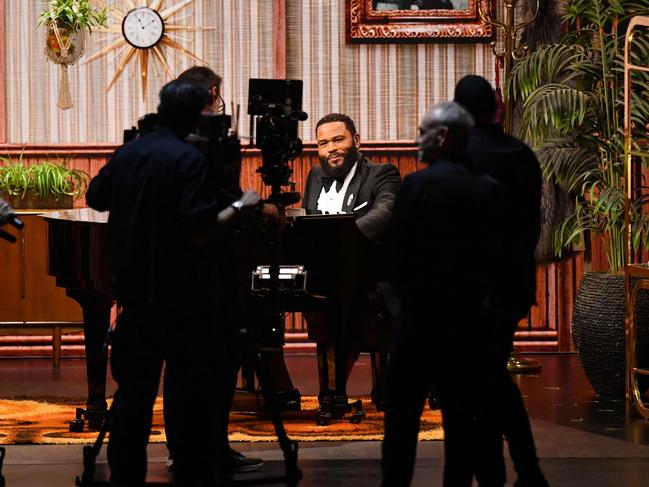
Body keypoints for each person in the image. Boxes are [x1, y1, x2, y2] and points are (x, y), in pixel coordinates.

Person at [86, 79, 263, 486]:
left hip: (133, 295)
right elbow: (200, 231)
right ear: (197, 112)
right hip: (184, 298)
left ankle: (124, 476)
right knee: (187, 392)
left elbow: (96, 196)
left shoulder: (130, 151)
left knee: (132, 393)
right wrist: (242, 205)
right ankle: (189, 467)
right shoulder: (190, 159)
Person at [381, 101, 507, 486]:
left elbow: (395, 255)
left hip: (418, 320)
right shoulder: (488, 189)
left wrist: (405, 306)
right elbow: (496, 260)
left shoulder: (415, 185)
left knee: (401, 422)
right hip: (467, 324)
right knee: (461, 419)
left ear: (443, 137)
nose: (417, 140)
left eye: (422, 132)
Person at [454, 74, 548, 487]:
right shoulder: (522, 154)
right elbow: (531, 225)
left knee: (482, 381)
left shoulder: (456, 155)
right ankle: (523, 472)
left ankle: (506, 472)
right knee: (491, 377)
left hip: (466, 288)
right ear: (497, 107)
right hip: (511, 283)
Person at [170, 65, 265, 473]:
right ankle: (213, 450)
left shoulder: (165, 142)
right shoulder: (213, 148)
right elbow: (223, 207)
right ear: (212, 93)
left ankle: (182, 451)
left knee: (180, 365)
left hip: (173, 273)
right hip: (211, 270)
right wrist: (252, 205)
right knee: (220, 361)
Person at [301, 112, 400, 407]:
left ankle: (333, 393)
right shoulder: (316, 176)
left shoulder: (382, 173)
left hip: (377, 277)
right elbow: (310, 221)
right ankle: (282, 394)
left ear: (356, 140)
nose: (330, 148)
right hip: (328, 275)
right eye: (322, 143)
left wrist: (339, 244)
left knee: (347, 298)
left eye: (337, 139)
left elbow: (385, 211)